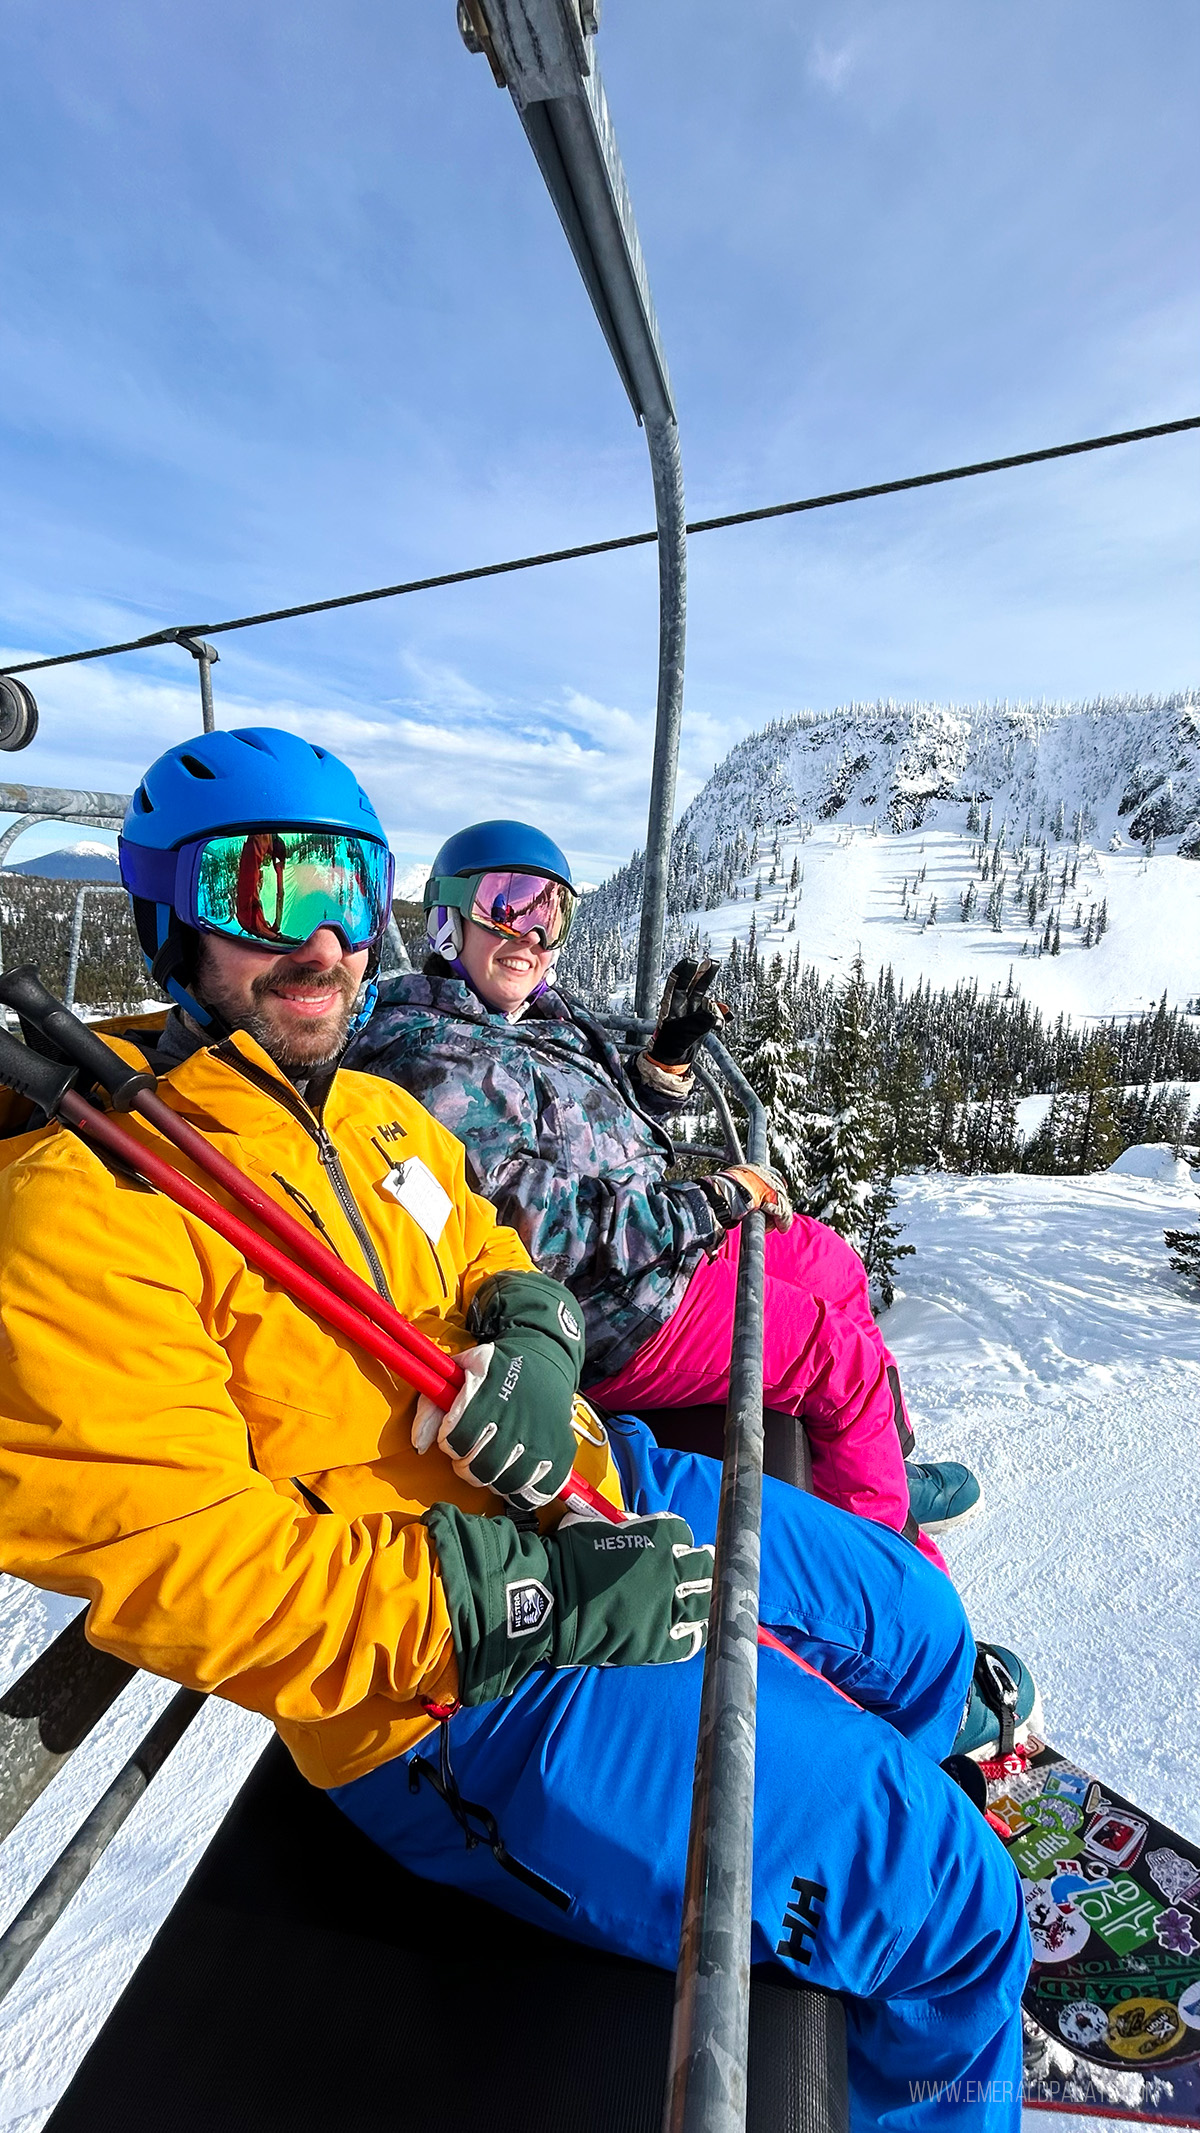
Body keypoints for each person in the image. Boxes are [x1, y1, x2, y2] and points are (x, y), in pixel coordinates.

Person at [0, 728, 1031, 2130]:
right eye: (264, 888)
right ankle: (901, 1953)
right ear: (167, 916)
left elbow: (497, 1244)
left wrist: (536, 1338)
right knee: (960, 1902)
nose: (318, 940)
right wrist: (527, 1595)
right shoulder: (88, 1207)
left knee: (919, 1624)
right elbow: (180, 1568)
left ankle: (856, 1822)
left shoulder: (367, 1114)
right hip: (454, 1690)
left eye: (345, 889)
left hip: (599, 1485)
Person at [348, 819, 982, 1560]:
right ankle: (895, 1571)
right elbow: (542, 1231)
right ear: (449, 917)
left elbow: (597, 1132)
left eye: (551, 912)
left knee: (827, 1259)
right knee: (834, 1356)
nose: (530, 933)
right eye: (506, 903)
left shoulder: (525, 1018)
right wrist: (708, 1202)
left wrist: (665, 1061)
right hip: (604, 1308)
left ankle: (886, 1470)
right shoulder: (435, 1056)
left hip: (652, 1252)